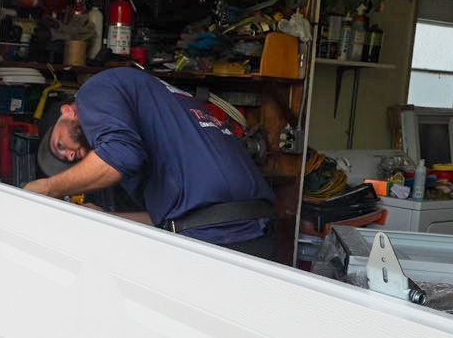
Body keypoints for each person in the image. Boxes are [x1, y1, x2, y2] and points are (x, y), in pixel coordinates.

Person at [26, 67, 279, 260]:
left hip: (221, 236)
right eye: (71, 160)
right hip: (254, 230)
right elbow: (165, 219)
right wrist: (108, 218)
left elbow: (120, 157)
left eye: (60, 145)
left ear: (67, 111)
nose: (71, 155)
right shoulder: (154, 104)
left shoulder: (95, 91)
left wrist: (47, 188)